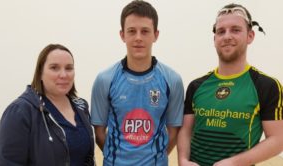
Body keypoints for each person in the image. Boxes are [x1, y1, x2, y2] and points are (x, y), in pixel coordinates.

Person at [177, 3, 283, 166]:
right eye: (221, 31)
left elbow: (278, 140)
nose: (227, 36)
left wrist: (234, 162)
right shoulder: (196, 86)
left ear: (250, 36)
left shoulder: (267, 86)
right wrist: (183, 160)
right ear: (214, 39)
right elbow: (186, 131)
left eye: (235, 29)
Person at [90, 0, 184, 165]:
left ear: (156, 35)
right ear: (122, 35)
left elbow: (174, 132)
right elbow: (99, 133)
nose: (138, 38)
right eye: (132, 31)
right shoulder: (104, 79)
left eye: (145, 31)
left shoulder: (172, 80)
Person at [0, 44, 95, 166]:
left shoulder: (81, 106)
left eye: (69, 68)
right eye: (54, 68)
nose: (64, 75)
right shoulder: (19, 112)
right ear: (40, 72)